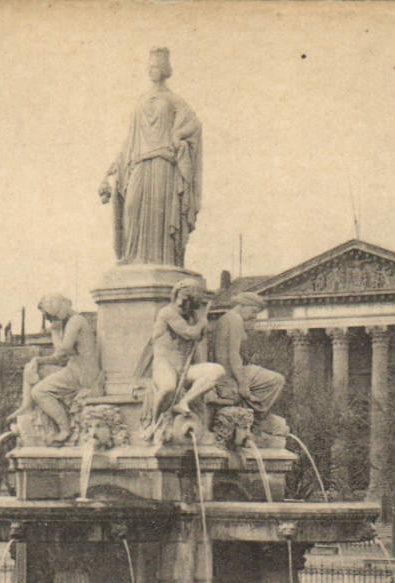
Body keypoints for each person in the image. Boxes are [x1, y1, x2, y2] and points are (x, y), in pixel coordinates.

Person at [98, 47, 202, 267]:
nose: (151, 70)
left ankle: (162, 260)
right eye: (149, 66)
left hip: (163, 164)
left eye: (155, 66)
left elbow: (194, 124)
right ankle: (133, 257)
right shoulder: (141, 100)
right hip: (138, 164)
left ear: (164, 69)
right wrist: (112, 169)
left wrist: (177, 135)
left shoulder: (173, 99)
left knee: (158, 216)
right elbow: (130, 139)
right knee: (132, 208)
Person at [136, 280, 224, 426]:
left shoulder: (193, 317)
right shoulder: (167, 313)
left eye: (187, 302)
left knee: (217, 371)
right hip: (164, 366)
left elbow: (200, 335)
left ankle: (184, 401)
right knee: (168, 388)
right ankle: (154, 423)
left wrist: (202, 323)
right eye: (181, 300)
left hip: (183, 368)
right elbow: (190, 333)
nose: (181, 305)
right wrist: (202, 322)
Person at [19, 294, 104, 444]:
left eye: (50, 317)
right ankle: (26, 408)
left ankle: (64, 428)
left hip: (83, 373)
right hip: (75, 368)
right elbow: (62, 357)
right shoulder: (72, 322)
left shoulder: (75, 322)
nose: (50, 321)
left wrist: (55, 331)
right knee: (31, 368)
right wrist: (38, 360)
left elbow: (61, 353)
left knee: (39, 391)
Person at [210, 293, 285, 415]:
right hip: (229, 373)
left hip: (226, 370)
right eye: (253, 311)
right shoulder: (235, 319)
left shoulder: (227, 318)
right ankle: (256, 414)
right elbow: (233, 355)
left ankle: (251, 410)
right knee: (277, 380)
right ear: (242, 305)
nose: (254, 316)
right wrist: (242, 383)